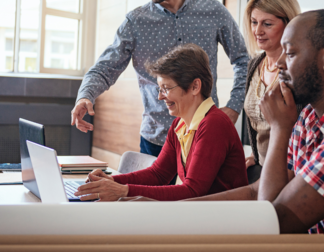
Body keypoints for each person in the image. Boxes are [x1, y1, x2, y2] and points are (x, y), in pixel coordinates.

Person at [186, 10, 324, 252]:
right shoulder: (310, 114)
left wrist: (279, 128)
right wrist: (170, 210)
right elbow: (257, 191)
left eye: (291, 53)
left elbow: (275, 220)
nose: (280, 64)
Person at [71, 0, 249, 157]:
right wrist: (85, 96)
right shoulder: (135, 22)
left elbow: (242, 60)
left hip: (205, 135)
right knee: (153, 192)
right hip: (156, 139)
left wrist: (234, 106)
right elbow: (104, 68)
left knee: (203, 193)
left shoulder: (213, 12)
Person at [74, 44, 248, 201]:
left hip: (223, 221)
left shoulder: (214, 124)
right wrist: (110, 181)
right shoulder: (179, 125)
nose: (160, 96)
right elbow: (158, 174)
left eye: (166, 88)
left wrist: (123, 191)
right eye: (160, 88)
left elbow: (193, 191)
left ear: (195, 86)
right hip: (201, 215)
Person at [242, 0, 302, 168]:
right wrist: (256, 154)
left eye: (267, 24)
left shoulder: (298, 69)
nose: (257, 31)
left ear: (289, 24)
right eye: (254, 22)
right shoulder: (254, 64)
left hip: (290, 170)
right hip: (262, 166)